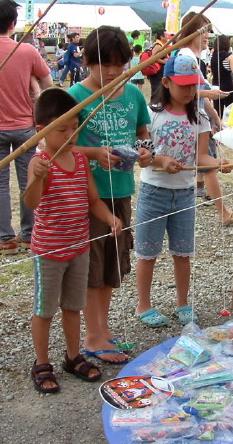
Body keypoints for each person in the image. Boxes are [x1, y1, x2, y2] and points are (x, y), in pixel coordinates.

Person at [24, 88, 123, 391]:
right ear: (42, 131)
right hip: (49, 250)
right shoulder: (40, 162)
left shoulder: (79, 160)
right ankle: (41, 363)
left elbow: (93, 200)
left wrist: (109, 217)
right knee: (45, 309)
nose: (70, 134)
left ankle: (73, 355)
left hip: (78, 247)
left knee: (72, 305)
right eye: (63, 129)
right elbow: (31, 202)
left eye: (75, 127)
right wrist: (38, 176)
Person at [67, 26, 152, 363]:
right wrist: (94, 153)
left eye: (120, 64)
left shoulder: (133, 94)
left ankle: (102, 329)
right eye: (106, 64)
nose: (114, 72)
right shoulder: (76, 96)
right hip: (90, 195)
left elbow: (143, 132)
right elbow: (60, 143)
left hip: (122, 190)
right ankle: (92, 335)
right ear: (88, 61)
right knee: (93, 264)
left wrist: (145, 152)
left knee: (113, 266)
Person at [134, 55, 233, 327]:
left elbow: (201, 157)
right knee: (147, 251)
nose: (190, 91)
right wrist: (161, 160)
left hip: (185, 194)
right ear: (166, 82)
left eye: (193, 85)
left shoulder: (199, 117)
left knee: (183, 252)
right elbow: (142, 152)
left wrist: (219, 163)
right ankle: (143, 304)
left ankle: (183, 303)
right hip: (154, 192)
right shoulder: (151, 114)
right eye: (183, 85)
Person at [0, 0, 52, 254]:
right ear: (13, 23)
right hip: (25, 125)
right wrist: (30, 86)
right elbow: (48, 85)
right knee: (28, 180)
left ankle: (5, 239)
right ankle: (29, 234)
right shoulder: (26, 51)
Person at [176, 12, 233, 226]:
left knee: (206, 163)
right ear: (192, 32)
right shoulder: (185, 57)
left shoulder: (193, 57)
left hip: (197, 118)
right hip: (189, 119)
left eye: (208, 31)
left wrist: (216, 118)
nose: (207, 36)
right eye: (203, 31)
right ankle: (223, 212)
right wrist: (210, 95)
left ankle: (215, 205)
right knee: (209, 163)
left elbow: (200, 93)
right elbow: (182, 91)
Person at [210, 35, 233, 119]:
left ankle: (216, 130)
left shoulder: (213, 56)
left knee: (217, 114)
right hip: (228, 88)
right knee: (232, 114)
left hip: (215, 87)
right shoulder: (229, 57)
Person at [147, 30, 169, 103]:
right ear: (162, 37)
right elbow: (153, 57)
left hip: (159, 71)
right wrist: (163, 61)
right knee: (156, 89)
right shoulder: (157, 45)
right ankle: (154, 105)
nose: (167, 37)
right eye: (166, 35)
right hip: (157, 71)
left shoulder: (160, 45)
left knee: (159, 89)